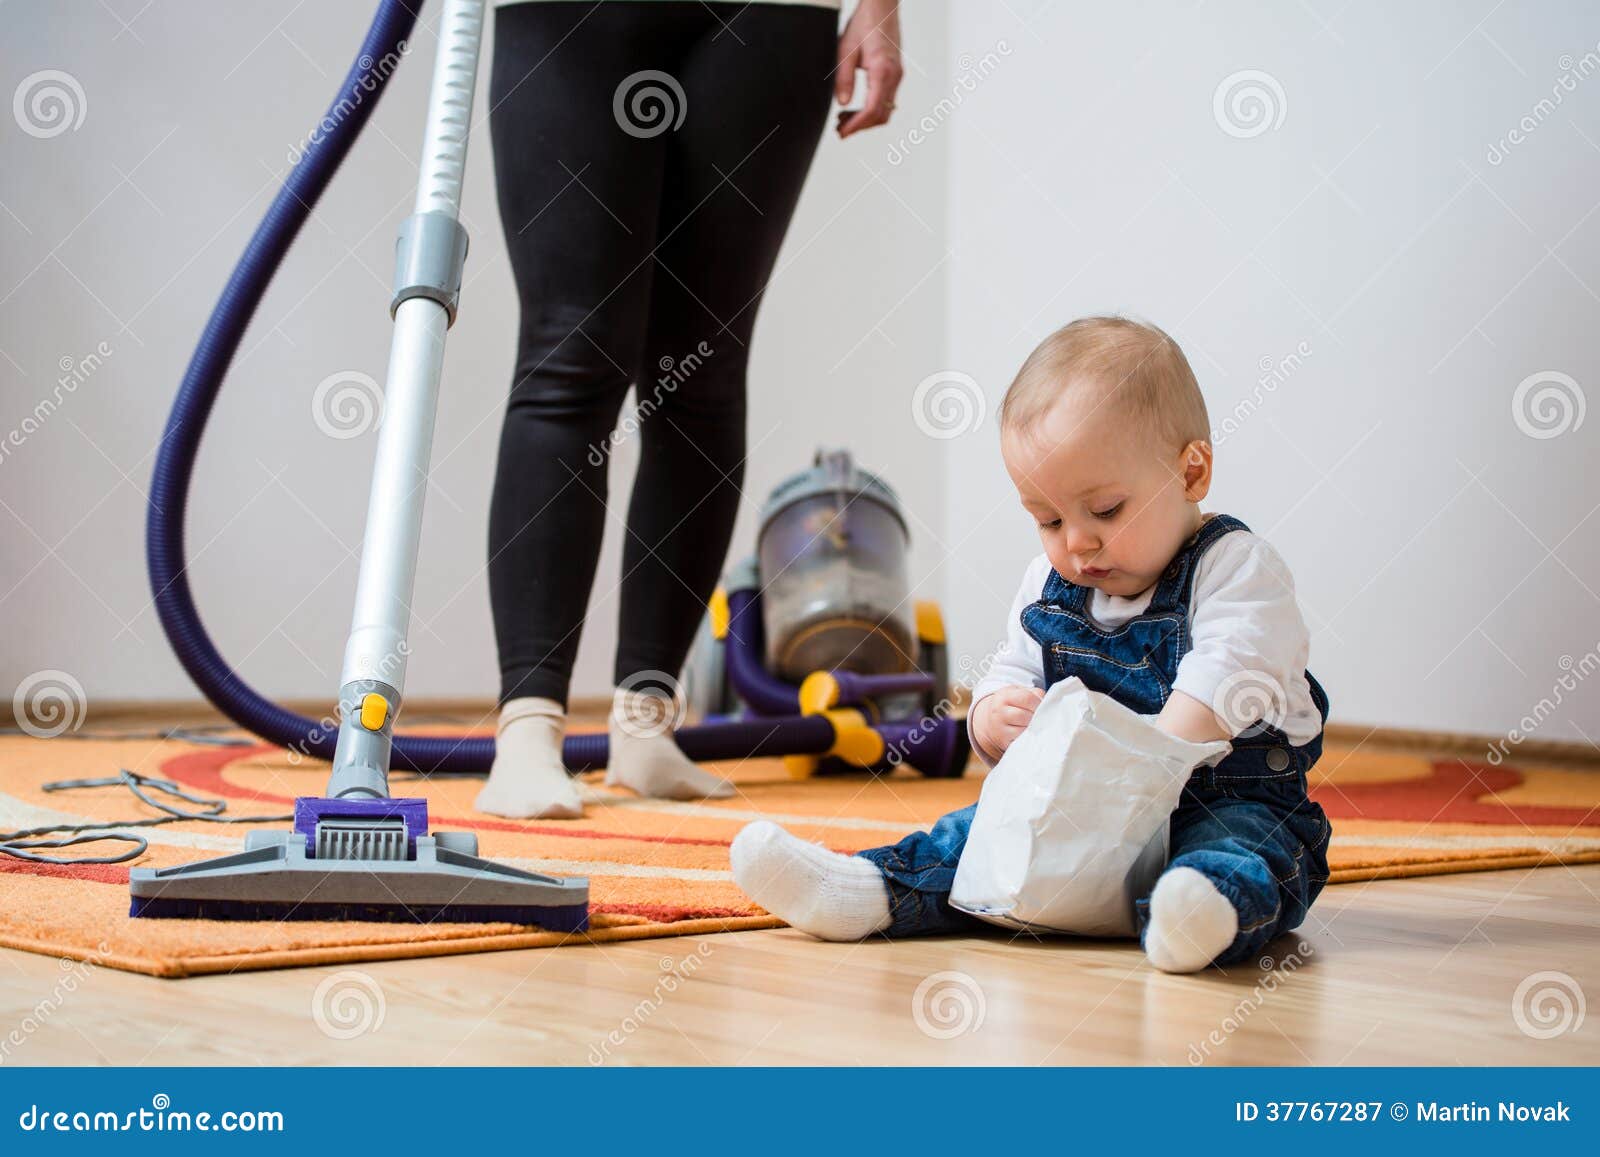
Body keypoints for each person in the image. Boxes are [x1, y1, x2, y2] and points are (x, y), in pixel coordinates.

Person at [729, 317, 1335, 973]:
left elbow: (1222, 677)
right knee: (975, 834)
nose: (1075, 542)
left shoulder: (1236, 568)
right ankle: (869, 890)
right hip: (1084, 813)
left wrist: (1135, 765)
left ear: (1191, 473)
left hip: (1222, 798)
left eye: (1104, 510)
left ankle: (1198, 910)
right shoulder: (1050, 587)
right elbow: (1014, 666)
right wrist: (993, 719)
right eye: (1047, 519)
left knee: (1250, 850)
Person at [478, 0, 904, 817]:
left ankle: (645, 723)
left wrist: (880, 7)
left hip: (772, 16)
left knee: (701, 372)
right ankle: (527, 733)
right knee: (573, 355)